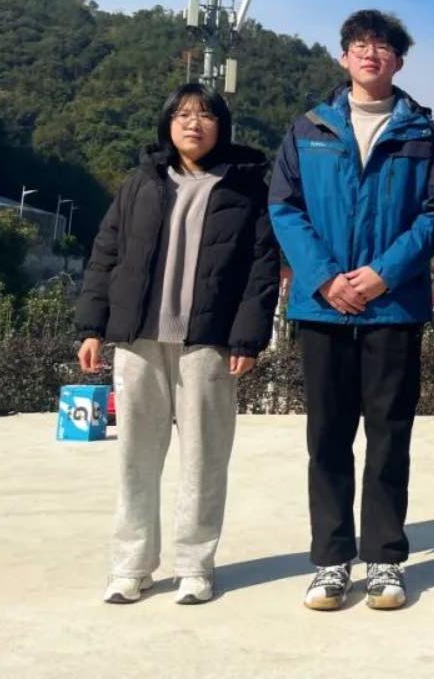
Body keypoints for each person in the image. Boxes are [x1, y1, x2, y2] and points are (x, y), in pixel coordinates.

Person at [269, 9, 434, 612]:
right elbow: (285, 208)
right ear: (344, 56)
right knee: (327, 437)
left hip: (392, 309)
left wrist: (381, 275)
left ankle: (384, 558)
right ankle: (330, 560)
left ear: (399, 60)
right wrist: (324, 278)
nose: (371, 54)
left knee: (389, 437)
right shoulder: (309, 129)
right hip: (323, 309)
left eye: (383, 46)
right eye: (360, 45)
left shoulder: (425, 135)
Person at [75, 83, 279, 605]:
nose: (194, 123)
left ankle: (194, 565)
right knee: (136, 457)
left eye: (206, 115)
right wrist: (92, 326)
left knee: (204, 457)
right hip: (138, 338)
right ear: (168, 124)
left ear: (221, 127)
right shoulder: (141, 182)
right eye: (183, 114)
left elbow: (261, 269)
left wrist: (248, 337)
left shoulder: (245, 187)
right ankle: (131, 565)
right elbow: (106, 253)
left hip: (207, 341)